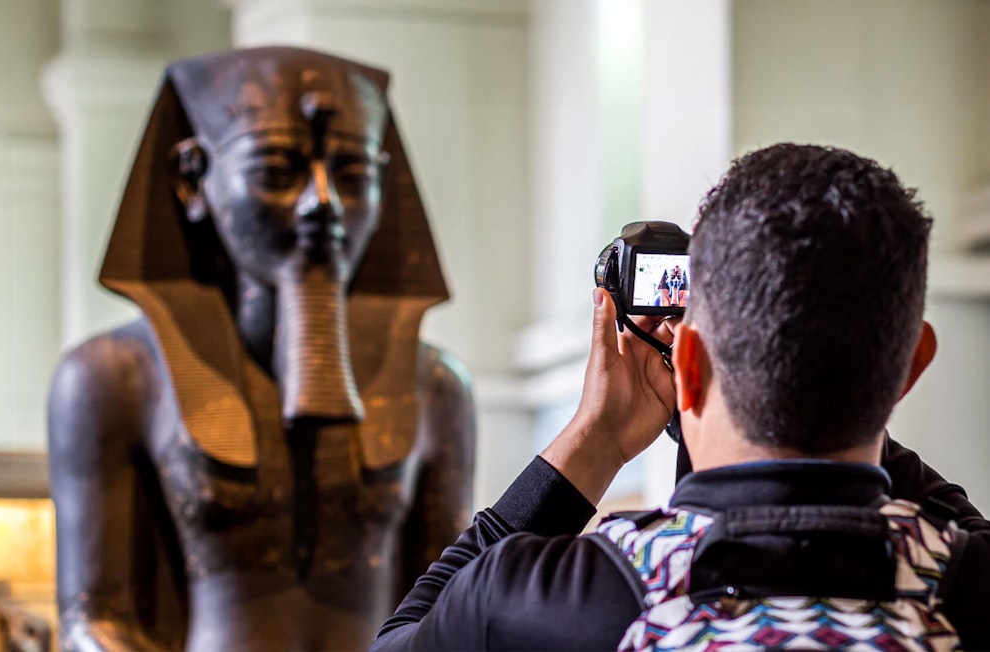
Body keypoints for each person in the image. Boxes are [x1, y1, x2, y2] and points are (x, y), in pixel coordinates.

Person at [371, 144, 990, 650]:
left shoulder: (539, 603)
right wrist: (842, 382)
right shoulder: (973, 588)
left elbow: (399, 640)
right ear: (910, 367)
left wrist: (598, 439)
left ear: (688, 363)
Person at [48, 47, 474, 652]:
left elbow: (448, 610)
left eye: (352, 176)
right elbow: (93, 621)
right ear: (192, 179)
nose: (321, 203)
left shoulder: (435, 385)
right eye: (277, 172)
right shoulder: (111, 377)